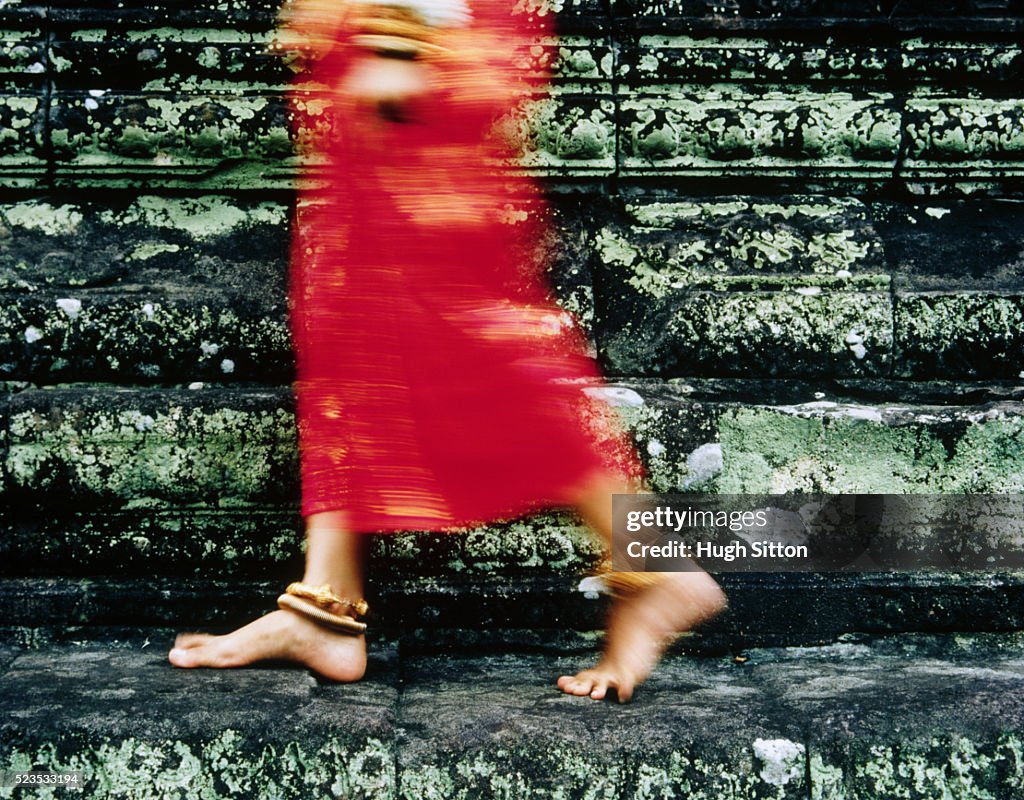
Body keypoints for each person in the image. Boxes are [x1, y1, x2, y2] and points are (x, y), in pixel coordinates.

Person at [167, 0, 726, 703]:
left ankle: (659, 561)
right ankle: (326, 605)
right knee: (350, 323)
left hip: (429, 96)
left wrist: (402, 48)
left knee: (465, 346)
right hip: (391, 100)